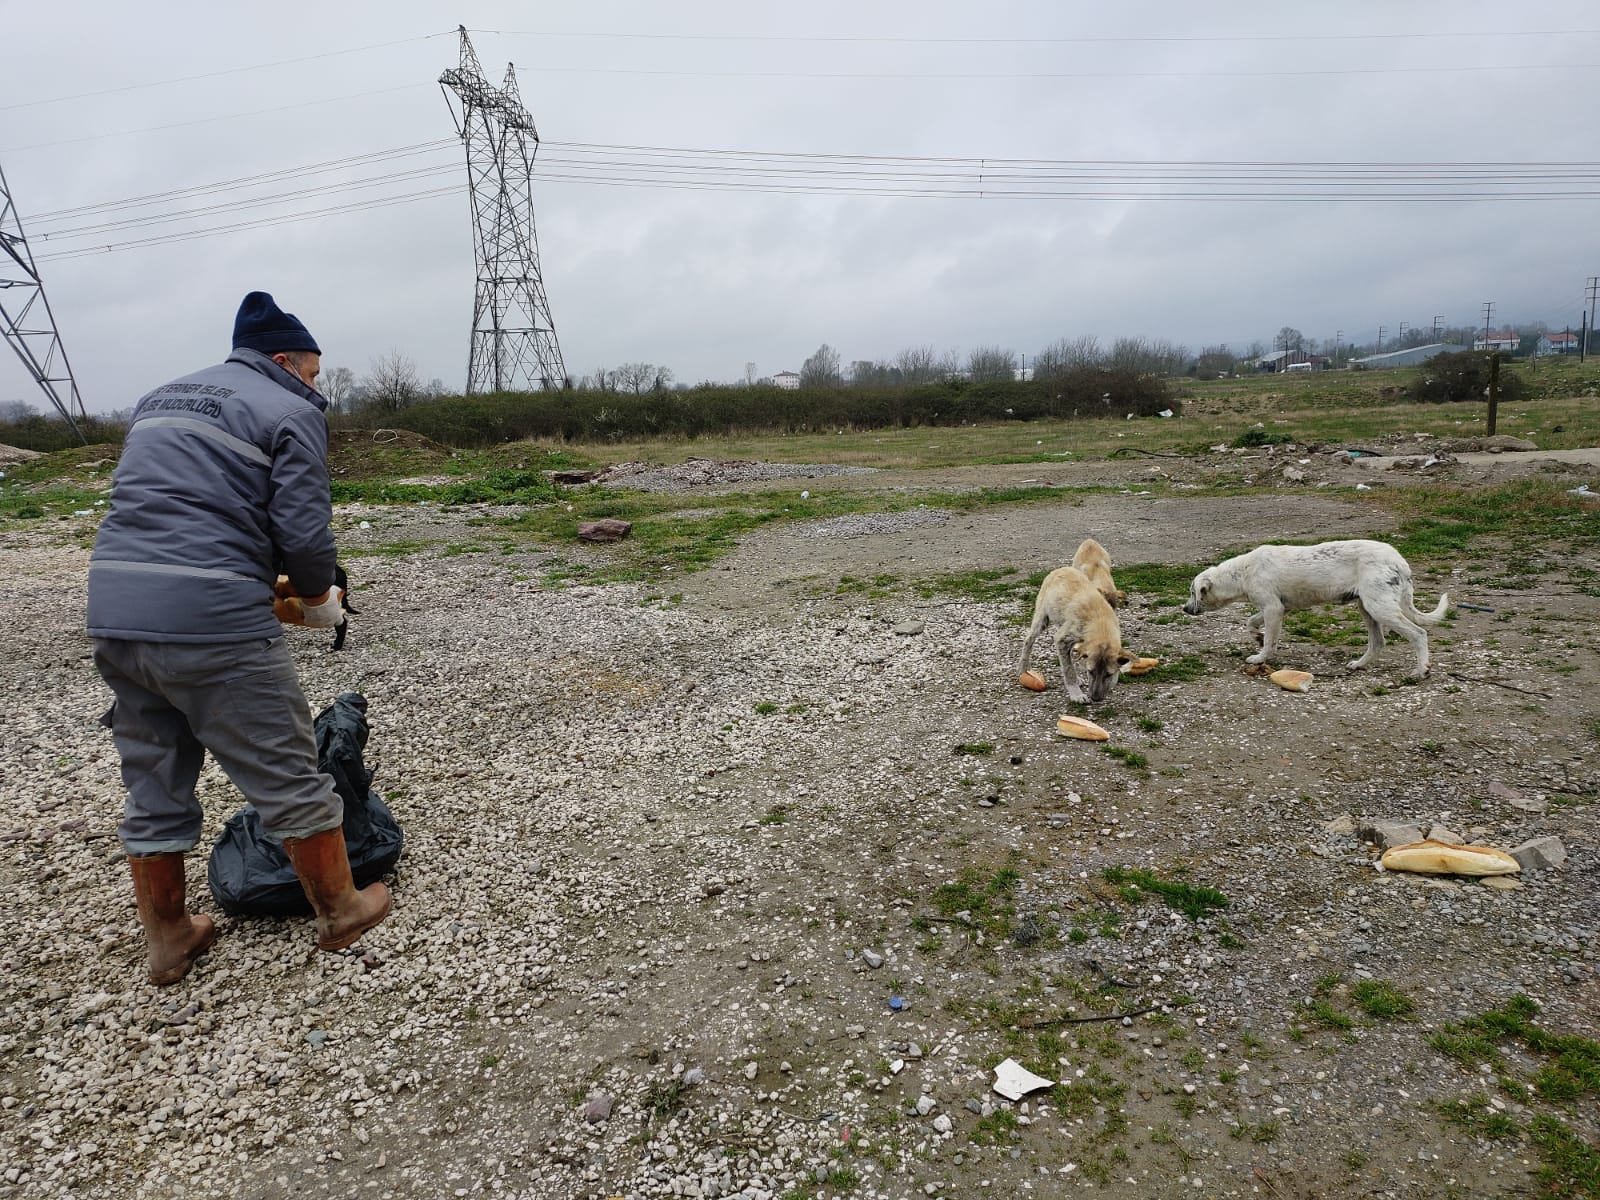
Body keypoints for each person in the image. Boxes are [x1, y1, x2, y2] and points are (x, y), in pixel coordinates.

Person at [87, 291, 391, 986]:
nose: (318, 389)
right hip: (212, 620)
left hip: (114, 610)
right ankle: (341, 909)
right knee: (285, 766)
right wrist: (317, 600)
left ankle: (169, 938)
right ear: (283, 361)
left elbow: (179, 506)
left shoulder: (159, 398)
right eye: (314, 375)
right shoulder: (288, 409)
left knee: (154, 777)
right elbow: (306, 534)